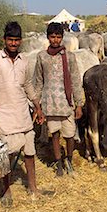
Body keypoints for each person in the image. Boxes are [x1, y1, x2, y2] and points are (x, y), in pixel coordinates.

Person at [0, 21, 52, 207]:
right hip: (4, 115)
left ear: (20, 41)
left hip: (23, 113)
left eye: (16, 40)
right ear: (4, 40)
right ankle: (6, 192)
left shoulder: (24, 60)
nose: (13, 43)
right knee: (8, 155)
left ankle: (33, 187)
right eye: (10, 40)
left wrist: (37, 106)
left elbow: (28, 85)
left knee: (29, 153)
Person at [34, 22, 84, 177]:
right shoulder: (42, 57)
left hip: (66, 103)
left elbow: (75, 80)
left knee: (69, 136)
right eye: (52, 37)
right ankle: (59, 164)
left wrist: (79, 104)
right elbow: (38, 82)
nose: (55, 40)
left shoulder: (69, 57)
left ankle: (69, 160)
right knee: (54, 135)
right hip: (50, 103)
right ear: (48, 37)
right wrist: (38, 106)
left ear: (62, 38)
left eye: (58, 37)